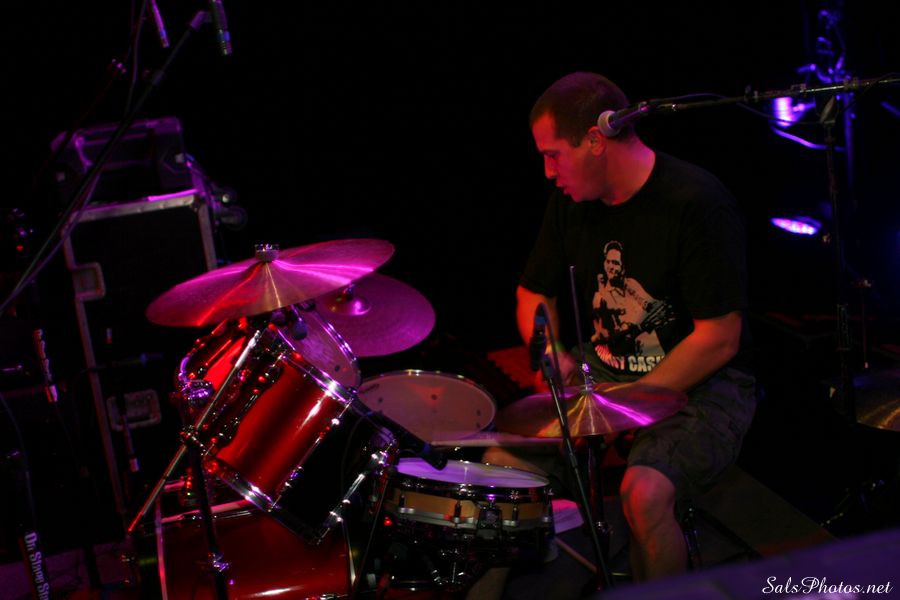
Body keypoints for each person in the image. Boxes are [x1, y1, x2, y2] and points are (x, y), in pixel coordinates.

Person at [479, 71, 757, 589]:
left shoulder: (696, 202)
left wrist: (631, 403)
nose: (547, 172)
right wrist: (550, 352)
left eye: (553, 155)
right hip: (607, 367)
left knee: (643, 496)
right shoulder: (571, 202)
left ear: (595, 140)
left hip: (704, 380)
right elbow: (532, 294)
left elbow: (720, 337)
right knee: (500, 471)